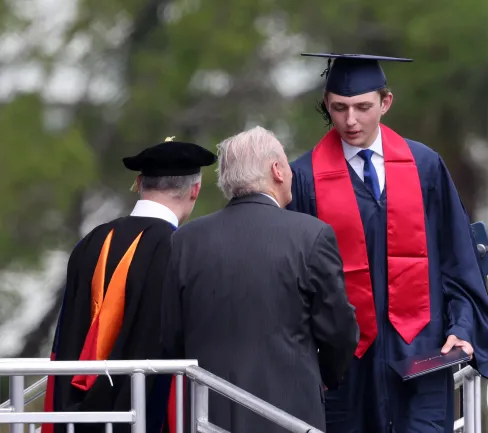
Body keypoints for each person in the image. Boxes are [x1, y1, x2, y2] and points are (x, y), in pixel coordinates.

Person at [287, 53, 488, 433]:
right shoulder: (304, 178)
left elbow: (457, 259)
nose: (350, 120)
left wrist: (462, 327)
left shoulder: (424, 166)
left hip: (420, 356)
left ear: (385, 103)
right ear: (327, 106)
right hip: (345, 367)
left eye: (362, 107)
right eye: (339, 108)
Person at [160, 126, 359, 433]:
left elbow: (171, 337)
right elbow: (339, 330)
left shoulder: (185, 241)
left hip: (208, 416)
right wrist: (327, 377)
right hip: (290, 417)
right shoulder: (312, 235)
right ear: (277, 170)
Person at [43, 137, 217, 433]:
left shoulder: (90, 242)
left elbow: (65, 336)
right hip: (147, 416)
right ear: (195, 190)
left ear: (139, 182)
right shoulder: (184, 249)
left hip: (76, 418)